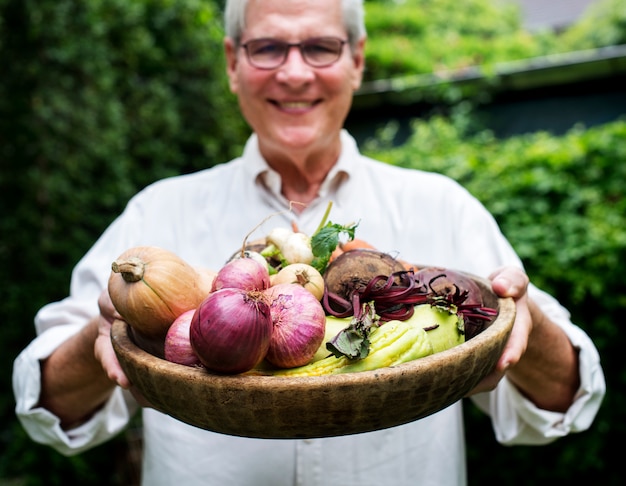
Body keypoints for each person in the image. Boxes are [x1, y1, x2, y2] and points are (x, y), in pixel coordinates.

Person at [13, 0, 605, 485]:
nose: (294, 72)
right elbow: (48, 411)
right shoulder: (157, 213)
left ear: (357, 61)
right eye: (267, 47)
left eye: (319, 47)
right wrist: (104, 339)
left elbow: (567, 401)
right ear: (231, 63)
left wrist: (526, 323)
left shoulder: (442, 204)